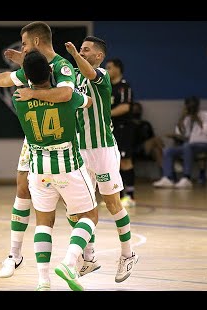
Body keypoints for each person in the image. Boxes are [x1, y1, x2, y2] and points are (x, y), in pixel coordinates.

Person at [0, 21, 99, 279]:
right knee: (21, 188)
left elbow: (64, 95)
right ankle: (14, 255)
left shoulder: (61, 67)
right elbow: (9, 78)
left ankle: (88, 253)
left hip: (62, 139)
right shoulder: (34, 67)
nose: (23, 48)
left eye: (25, 43)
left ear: (37, 41)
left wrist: (31, 94)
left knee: (74, 208)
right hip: (36, 142)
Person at [12, 50, 97, 291]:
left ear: (27, 77)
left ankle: (43, 281)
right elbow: (87, 102)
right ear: (51, 71)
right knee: (90, 217)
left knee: (43, 224)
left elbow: (33, 88)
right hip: (68, 165)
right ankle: (70, 262)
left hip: (38, 169)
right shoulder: (68, 97)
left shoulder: (18, 97)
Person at [65, 37, 139, 283]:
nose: (82, 52)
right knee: (77, 209)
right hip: (79, 150)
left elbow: (87, 70)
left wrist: (75, 55)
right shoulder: (73, 75)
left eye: (86, 50)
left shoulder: (102, 76)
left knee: (112, 203)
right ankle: (89, 258)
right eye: (80, 49)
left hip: (103, 150)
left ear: (99, 56)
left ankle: (128, 254)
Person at [153, 96, 207, 188]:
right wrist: (181, 119)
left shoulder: (205, 115)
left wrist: (197, 119)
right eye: (189, 106)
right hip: (190, 145)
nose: (191, 108)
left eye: (193, 106)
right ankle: (168, 178)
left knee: (187, 146)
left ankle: (187, 178)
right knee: (168, 151)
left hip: (205, 144)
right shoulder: (187, 118)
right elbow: (184, 134)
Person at [105, 58, 136, 208]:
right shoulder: (107, 86)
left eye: (109, 67)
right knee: (113, 163)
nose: (107, 70)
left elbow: (125, 107)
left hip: (124, 128)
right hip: (111, 129)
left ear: (118, 69)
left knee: (125, 161)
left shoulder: (124, 87)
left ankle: (130, 196)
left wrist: (106, 114)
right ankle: (118, 196)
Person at [131, 101, 165, 178]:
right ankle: (168, 161)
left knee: (157, 150)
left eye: (138, 110)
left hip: (147, 148)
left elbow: (151, 136)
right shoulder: (128, 124)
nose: (136, 112)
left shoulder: (146, 124)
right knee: (156, 140)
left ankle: (165, 176)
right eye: (134, 110)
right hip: (135, 149)